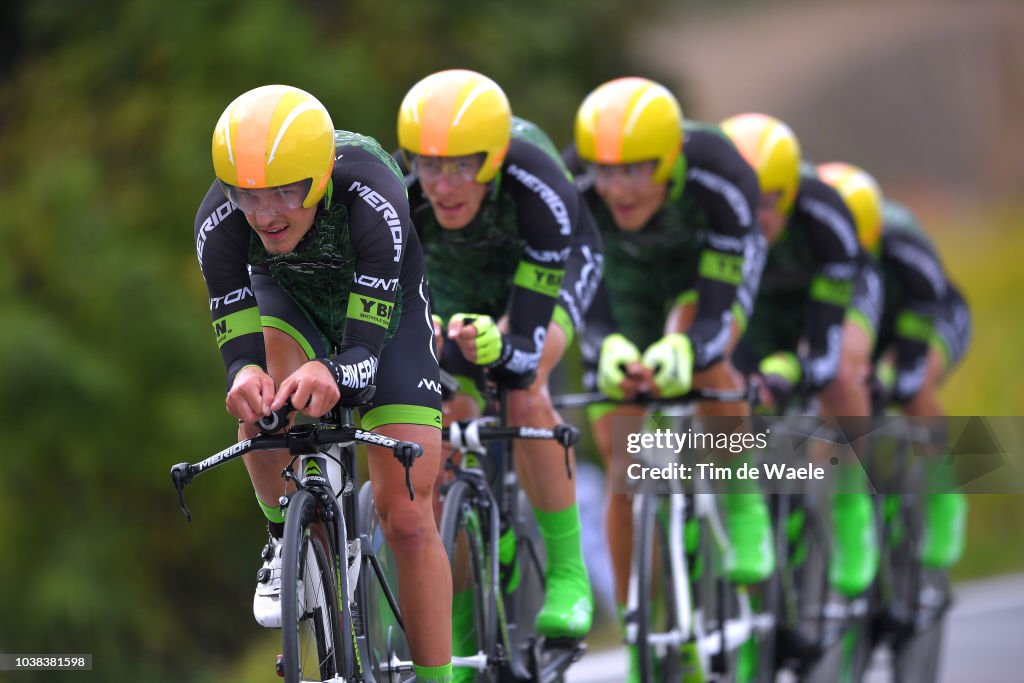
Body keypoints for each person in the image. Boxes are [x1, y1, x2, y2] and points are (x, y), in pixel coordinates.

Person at [195, 84, 452, 682]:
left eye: (285, 192)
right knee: (263, 400)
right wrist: (244, 376)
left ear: (319, 177)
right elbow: (239, 352)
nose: (265, 214)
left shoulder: (374, 195)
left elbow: (363, 357)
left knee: (408, 513)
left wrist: (333, 370)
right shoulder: (219, 223)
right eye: (248, 196)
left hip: (382, 313)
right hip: (290, 302)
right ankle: (284, 537)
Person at [565, 77, 772, 677]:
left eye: (636, 171)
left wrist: (690, 344)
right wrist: (605, 345)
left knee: (712, 363)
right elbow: (582, 289)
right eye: (606, 172)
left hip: (697, 277)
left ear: (672, 158)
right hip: (625, 288)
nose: (620, 189)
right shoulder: (578, 187)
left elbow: (724, 301)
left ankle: (739, 497)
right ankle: (640, 631)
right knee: (624, 456)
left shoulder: (720, 174)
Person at [396, 69, 601, 655]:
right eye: (429, 164)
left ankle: (567, 571)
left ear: (494, 156)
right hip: (457, 277)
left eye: (464, 164)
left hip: (540, 275)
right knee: (434, 403)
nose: (444, 183)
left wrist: (501, 348)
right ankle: (461, 621)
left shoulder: (538, 182)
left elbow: (526, 342)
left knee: (524, 382)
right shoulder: (401, 189)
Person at [720, 113, 875, 598]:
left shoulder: (825, 215)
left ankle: (853, 503)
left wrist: (796, 366)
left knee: (842, 373)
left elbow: (826, 344)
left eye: (766, 203)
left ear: (789, 195)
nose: (753, 218)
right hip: (761, 311)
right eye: (742, 203)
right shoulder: (711, 214)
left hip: (823, 304)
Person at [818, 161, 971, 570]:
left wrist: (889, 372)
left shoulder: (902, 240)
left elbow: (918, 326)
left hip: (927, 321)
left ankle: (943, 493)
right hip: (865, 327)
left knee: (914, 385)